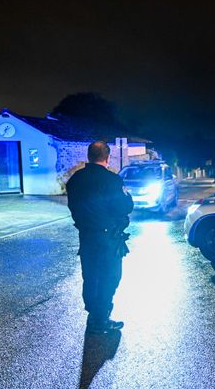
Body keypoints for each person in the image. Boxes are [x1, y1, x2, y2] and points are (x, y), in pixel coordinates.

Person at [66, 141, 134, 333]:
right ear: (107, 157)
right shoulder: (112, 181)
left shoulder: (75, 179)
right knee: (110, 276)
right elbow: (124, 207)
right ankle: (100, 318)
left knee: (90, 275)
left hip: (86, 236)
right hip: (108, 238)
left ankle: (93, 312)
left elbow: (73, 207)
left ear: (89, 156)